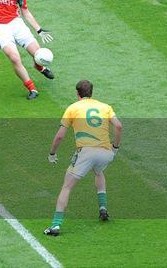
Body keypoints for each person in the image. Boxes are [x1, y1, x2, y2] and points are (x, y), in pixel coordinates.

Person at [44, 80, 123, 236]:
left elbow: (60, 136)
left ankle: (55, 225)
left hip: (85, 152)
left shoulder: (73, 108)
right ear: (92, 93)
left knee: (67, 186)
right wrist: (115, 147)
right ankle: (103, 208)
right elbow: (119, 126)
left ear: (77, 93)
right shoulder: (105, 107)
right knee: (99, 171)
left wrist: (52, 153)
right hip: (106, 153)